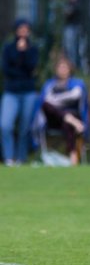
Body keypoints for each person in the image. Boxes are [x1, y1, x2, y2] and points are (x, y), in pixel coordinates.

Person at [1, 19, 41, 166]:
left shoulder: (33, 49)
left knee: (25, 127)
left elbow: (31, 68)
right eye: (21, 28)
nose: (23, 31)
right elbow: (6, 69)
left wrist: (23, 54)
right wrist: (18, 55)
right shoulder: (8, 48)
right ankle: (8, 157)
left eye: (26, 29)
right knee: (5, 125)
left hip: (28, 91)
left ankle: (21, 158)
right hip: (11, 91)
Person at [37, 56, 88, 163]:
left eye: (65, 67)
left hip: (73, 116)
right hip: (54, 119)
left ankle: (73, 155)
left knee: (67, 121)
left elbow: (75, 96)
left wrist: (55, 100)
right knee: (46, 105)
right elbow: (45, 101)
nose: (63, 70)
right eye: (60, 67)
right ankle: (69, 118)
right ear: (56, 69)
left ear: (70, 69)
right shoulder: (50, 84)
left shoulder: (78, 83)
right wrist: (62, 100)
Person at [61, 0, 83, 70]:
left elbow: (71, 12)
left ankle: (78, 66)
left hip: (78, 26)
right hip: (69, 27)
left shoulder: (79, 1)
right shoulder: (67, 2)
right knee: (70, 48)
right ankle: (72, 65)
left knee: (79, 49)